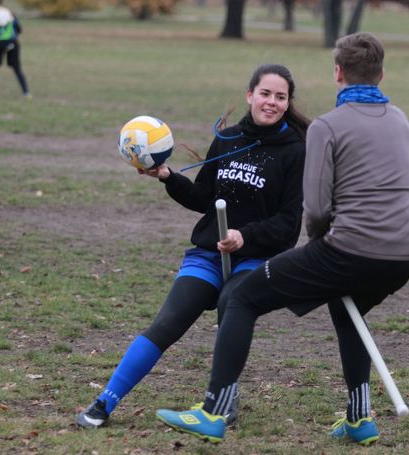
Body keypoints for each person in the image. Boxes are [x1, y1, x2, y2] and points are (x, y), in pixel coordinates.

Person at [155, 32, 409, 445]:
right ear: (381, 74)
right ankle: (359, 419)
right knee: (346, 307)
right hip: (404, 255)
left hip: (349, 251)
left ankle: (213, 412)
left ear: (337, 73)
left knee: (238, 297)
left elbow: (314, 211)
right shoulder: (401, 119)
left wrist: (321, 245)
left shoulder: (327, 127)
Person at [75, 64, 310, 429]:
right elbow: (203, 197)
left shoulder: (295, 151)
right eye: (265, 94)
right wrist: (168, 176)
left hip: (253, 258)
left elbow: (288, 224)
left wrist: (244, 236)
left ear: (287, 103)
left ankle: (222, 404)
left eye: (281, 97)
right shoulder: (228, 139)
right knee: (167, 323)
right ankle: (106, 401)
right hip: (209, 254)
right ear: (250, 95)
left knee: (232, 306)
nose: (272, 102)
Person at [0, 0, 30, 98]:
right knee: (17, 68)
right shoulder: (9, 12)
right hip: (12, 42)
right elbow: (19, 29)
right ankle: (26, 92)